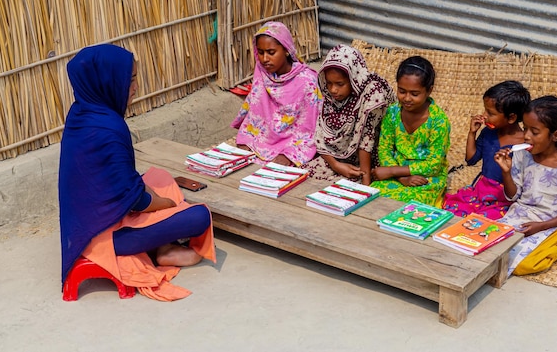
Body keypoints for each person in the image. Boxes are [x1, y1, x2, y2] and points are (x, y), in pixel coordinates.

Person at [59, 44, 216, 301]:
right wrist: (165, 205)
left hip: (92, 223)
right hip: (105, 239)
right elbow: (136, 200)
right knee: (198, 215)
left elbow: (117, 181)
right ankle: (163, 246)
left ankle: (162, 247)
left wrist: (150, 195)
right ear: (107, 81)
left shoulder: (82, 114)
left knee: (160, 177)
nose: (135, 87)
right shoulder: (108, 129)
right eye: (130, 80)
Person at [494, 95, 557, 276]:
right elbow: (513, 196)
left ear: (556, 135)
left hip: (551, 222)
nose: (526, 136)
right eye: (525, 128)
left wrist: (541, 226)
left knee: (524, 265)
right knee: (491, 248)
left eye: (534, 132)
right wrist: (506, 171)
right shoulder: (522, 156)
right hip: (519, 216)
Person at [231, 21, 322, 166]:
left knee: (281, 162)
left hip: (293, 138)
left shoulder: (307, 81)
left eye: (271, 52)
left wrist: (289, 152)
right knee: (243, 151)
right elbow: (257, 112)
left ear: (286, 50)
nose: (265, 59)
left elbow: (309, 126)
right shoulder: (262, 72)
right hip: (264, 134)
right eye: (260, 53)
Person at [303, 44, 396, 185]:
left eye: (340, 84)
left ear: (354, 78)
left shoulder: (372, 93)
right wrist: (336, 165)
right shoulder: (330, 97)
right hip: (338, 159)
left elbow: (367, 139)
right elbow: (321, 137)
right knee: (306, 181)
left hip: (368, 160)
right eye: (329, 83)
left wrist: (365, 184)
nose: (333, 90)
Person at [370, 56, 450, 208]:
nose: (407, 98)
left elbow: (434, 165)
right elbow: (384, 148)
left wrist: (392, 171)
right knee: (374, 199)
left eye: (414, 94)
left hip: (426, 177)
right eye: (402, 91)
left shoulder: (439, 121)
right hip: (395, 172)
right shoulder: (393, 112)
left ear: (429, 90)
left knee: (412, 207)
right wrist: (401, 177)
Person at [443, 81, 531, 219]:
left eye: (490, 113)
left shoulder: (524, 145)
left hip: (504, 198)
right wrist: (472, 133)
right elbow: (471, 159)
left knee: (487, 220)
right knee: (454, 210)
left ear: (511, 118)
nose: (484, 115)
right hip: (480, 191)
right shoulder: (488, 133)